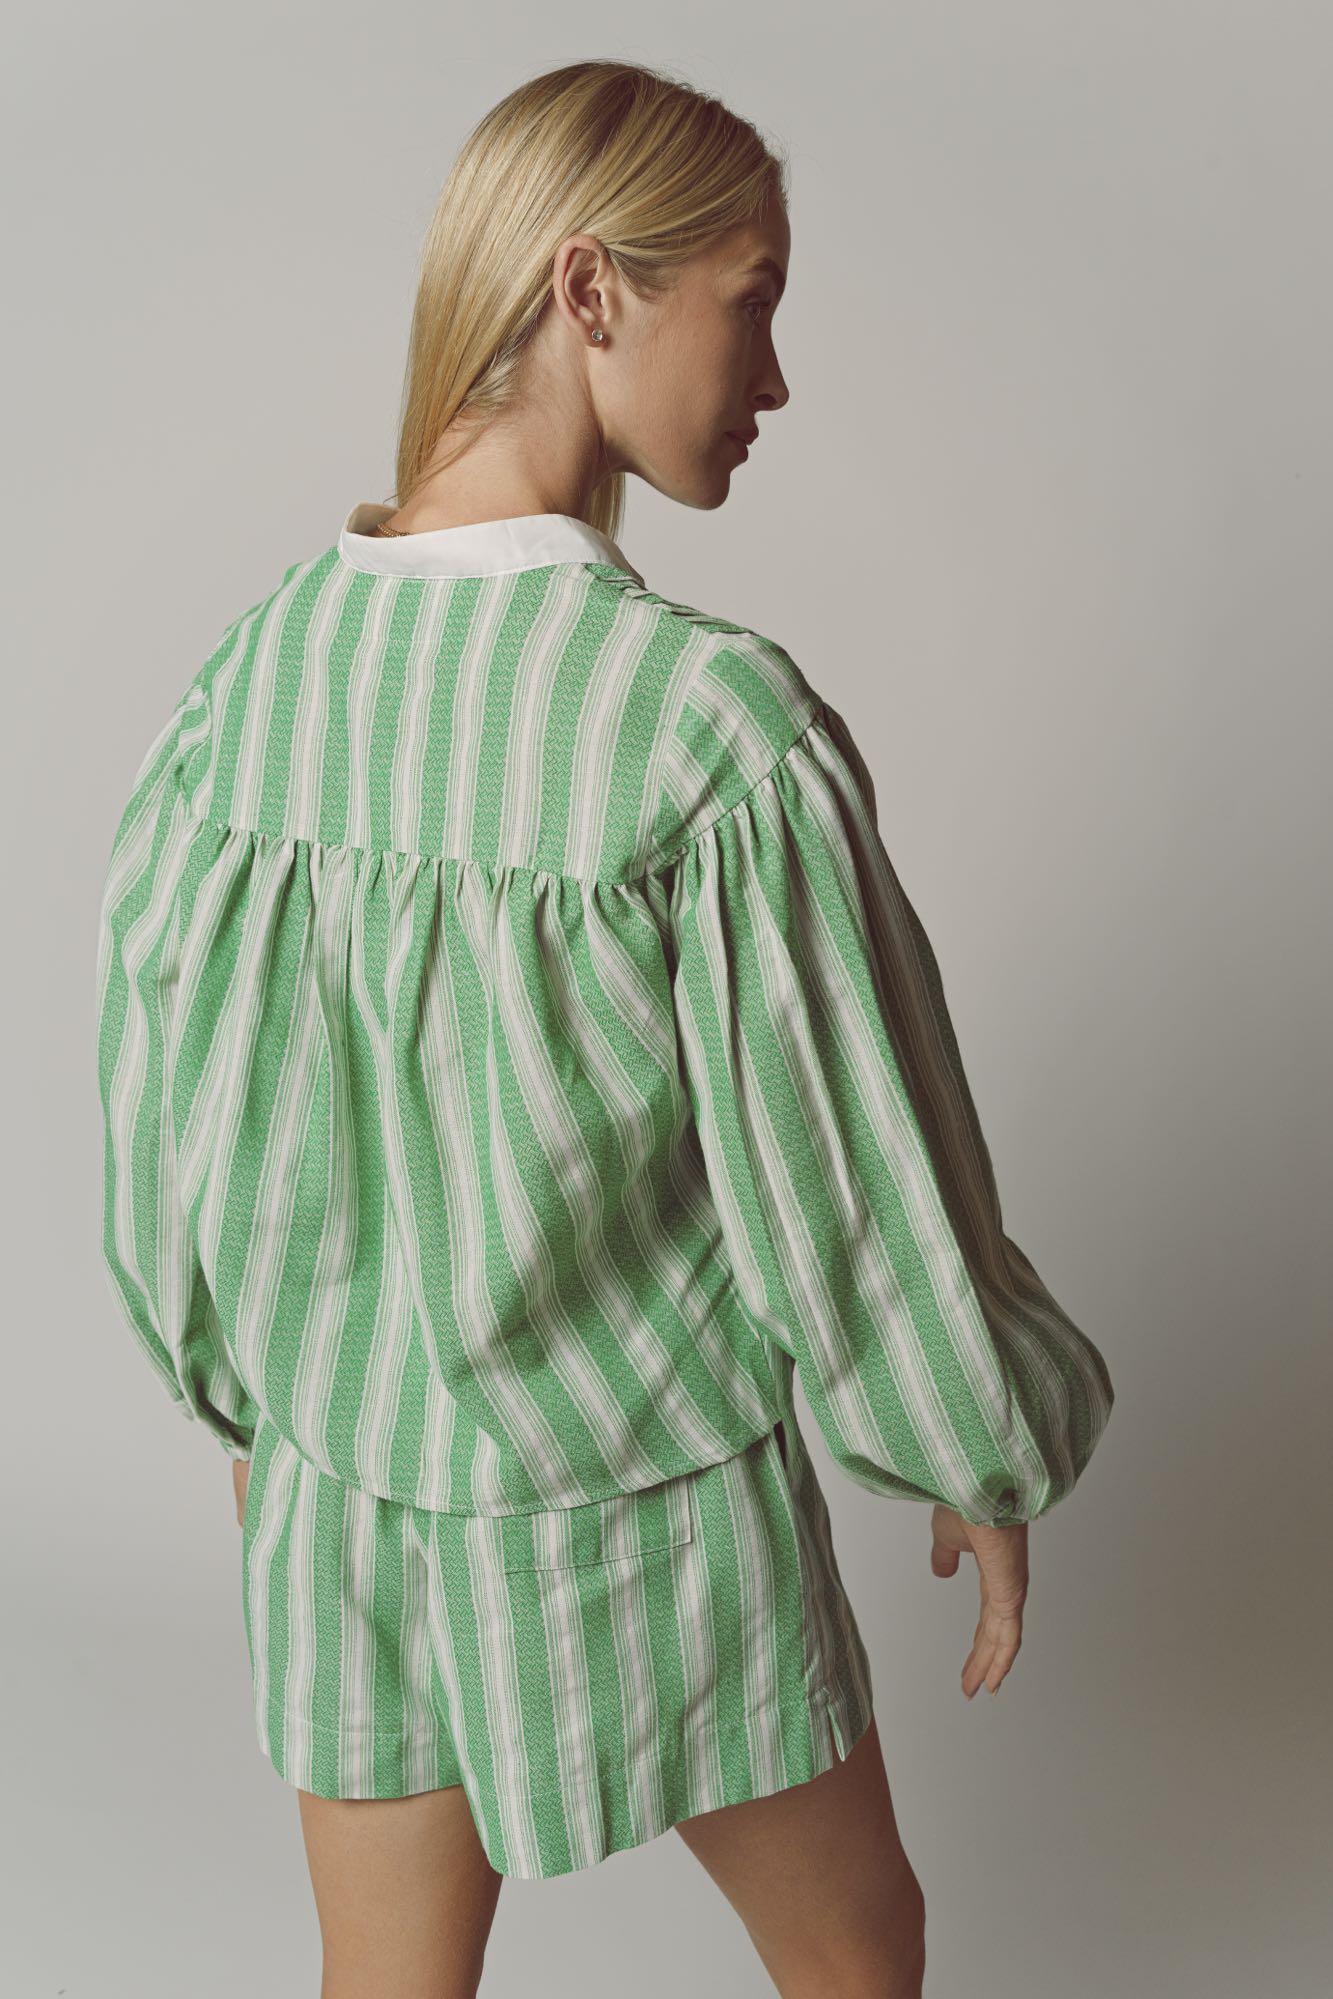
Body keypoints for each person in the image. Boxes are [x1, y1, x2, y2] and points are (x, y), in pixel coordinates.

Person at [94, 56, 1114, 1999]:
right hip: (640, 1504)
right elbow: (844, 1171)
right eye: (753, 298)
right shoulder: (701, 731)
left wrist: (252, 1406)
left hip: (343, 1503)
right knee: (858, 1955)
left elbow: (168, 1124)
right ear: (588, 289)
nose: (776, 376)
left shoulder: (250, 688)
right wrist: (975, 1440)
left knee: (384, 1982)